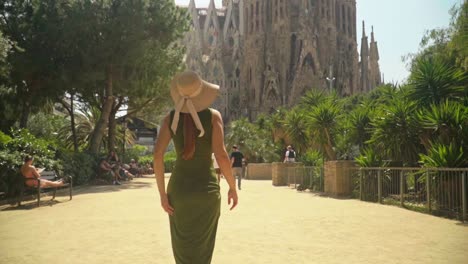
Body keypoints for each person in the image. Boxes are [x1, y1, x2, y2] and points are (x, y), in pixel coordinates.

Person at [153, 71, 238, 264]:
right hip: (206, 192)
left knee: (182, 247)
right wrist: (232, 187)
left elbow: (157, 155)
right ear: (202, 93)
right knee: (203, 249)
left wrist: (162, 194)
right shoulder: (213, 116)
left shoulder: (170, 118)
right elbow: (222, 156)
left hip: (178, 192)